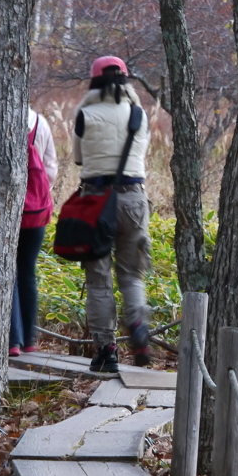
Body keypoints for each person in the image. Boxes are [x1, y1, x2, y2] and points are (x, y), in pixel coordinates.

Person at [72, 56, 152, 372]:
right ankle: (138, 325)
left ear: (94, 82)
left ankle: (106, 350)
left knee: (98, 279)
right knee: (132, 275)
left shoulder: (85, 114)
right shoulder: (139, 114)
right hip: (134, 199)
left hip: (95, 201)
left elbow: (78, 159)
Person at [9, 107, 58, 357]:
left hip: (6, 212)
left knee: (9, 273)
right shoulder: (41, 122)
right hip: (35, 214)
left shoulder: (0, 118)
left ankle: (12, 341)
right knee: (27, 272)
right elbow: (51, 170)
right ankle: (29, 339)